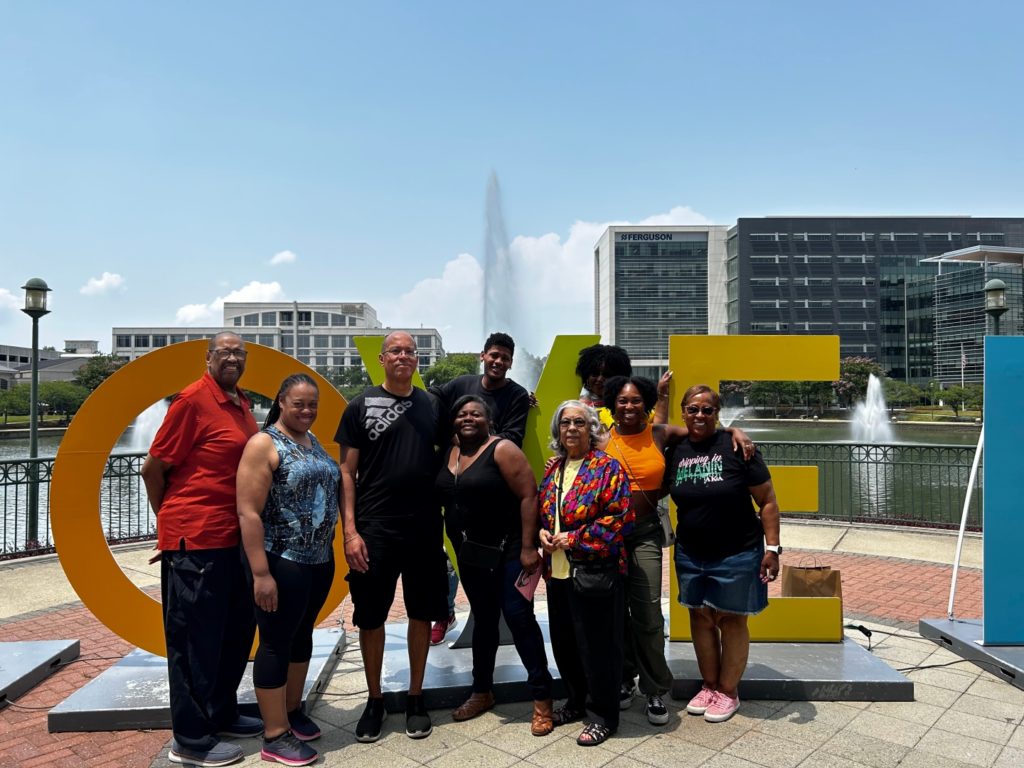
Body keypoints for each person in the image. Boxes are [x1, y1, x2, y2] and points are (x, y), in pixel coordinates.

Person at [601, 375, 756, 726]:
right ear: (612, 404)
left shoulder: (659, 434)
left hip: (643, 534)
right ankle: (623, 678)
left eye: (636, 400)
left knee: (648, 614)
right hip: (607, 536)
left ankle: (655, 688)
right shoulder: (601, 438)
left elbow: (704, 428)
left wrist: (735, 431)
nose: (629, 406)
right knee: (613, 613)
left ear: (646, 404)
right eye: (622, 400)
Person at [141, 332, 263, 767]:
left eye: (239, 353)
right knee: (194, 642)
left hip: (234, 539)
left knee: (234, 634)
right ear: (208, 358)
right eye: (224, 352)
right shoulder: (192, 400)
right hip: (197, 541)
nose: (232, 358)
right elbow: (152, 469)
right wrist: (171, 526)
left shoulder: (240, 402)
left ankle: (221, 713)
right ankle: (191, 740)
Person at [336, 331, 448, 743]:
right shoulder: (359, 405)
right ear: (382, 359)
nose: (404, 356)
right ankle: (375, 699)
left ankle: (416, 696)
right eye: (395, 351)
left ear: (417, 360)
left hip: (423, 528)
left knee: (421, 612)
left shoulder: (432, 405)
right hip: (374, 529)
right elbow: (346, 472)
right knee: (370, 616)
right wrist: (350, 532)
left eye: (410, 351)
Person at [434, 395, 555, 735]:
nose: (468, 418)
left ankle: (542, 698)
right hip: (471, 554)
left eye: (475, 414)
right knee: (484, 620)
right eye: (462, 414)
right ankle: (482, 691)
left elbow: (529, 495)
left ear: (489, 420)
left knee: (518, 617)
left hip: (510, 550)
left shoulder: (502, 449)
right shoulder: (450, 453)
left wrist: (529, 547)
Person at [236, 374, 340, 766]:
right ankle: (275, 734)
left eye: (313, 404)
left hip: (318, 561)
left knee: (301, 636)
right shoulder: (264, 444)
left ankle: (292, 711)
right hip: (282, 560)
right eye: (299, 404)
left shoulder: (311, 441)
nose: (307, 411)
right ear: (281, 402)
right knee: (276, 642)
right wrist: (261, 573)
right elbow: (248, 512)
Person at [668, 384, 781, 724]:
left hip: (738, 551)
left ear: (717, 413)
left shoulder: (737, 448)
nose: (700, 415)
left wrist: (773, 549)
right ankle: (709, 685)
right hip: (690, 552)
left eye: (708, 410)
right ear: (683, 412)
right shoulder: (676, 450)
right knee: (700, 618)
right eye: (693, 409)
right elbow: (653, 430)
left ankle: (729, 691)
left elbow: (767, 501)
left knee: (732, 619)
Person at [538, 401, 633, 747]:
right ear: (558, 430)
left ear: (591, 429)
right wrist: (543, 533)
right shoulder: (555, 468)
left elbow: (619, 518)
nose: (572, 428)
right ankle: (576, 702)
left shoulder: (607, 467)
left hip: (596, 571)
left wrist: (573, 538)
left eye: (579, 422)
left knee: (600, 647)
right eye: (565, 423)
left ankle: (603, 716)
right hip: (559, 573)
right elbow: (546, 512)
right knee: (566, 644)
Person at [429, 331, 531, 645]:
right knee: (479, 602)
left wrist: (477, 443)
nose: (498, 361)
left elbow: (514, 437)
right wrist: (451, 437)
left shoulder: (517, 395)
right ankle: (446, 615)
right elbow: (433, 395)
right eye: (493, 355)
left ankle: (537, 676)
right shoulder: (461, 384)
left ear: (511, 363)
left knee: (514, 610)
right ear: (483, 356)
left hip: (497, 513)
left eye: (505, 358)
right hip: (458, 513)